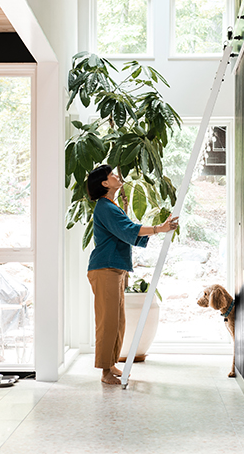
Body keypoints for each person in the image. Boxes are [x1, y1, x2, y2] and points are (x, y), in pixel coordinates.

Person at [85, 164, 179, 385]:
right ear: (105, 183)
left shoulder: (111, 205)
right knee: (107, 321)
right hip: (104, 269)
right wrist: (159, 228)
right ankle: (105, 372)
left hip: (114, 269)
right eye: (112, 175)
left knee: (118, 320)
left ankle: (111, 364)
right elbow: (128, 230)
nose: (117, 176)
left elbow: (126, 231)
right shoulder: (104, 207)